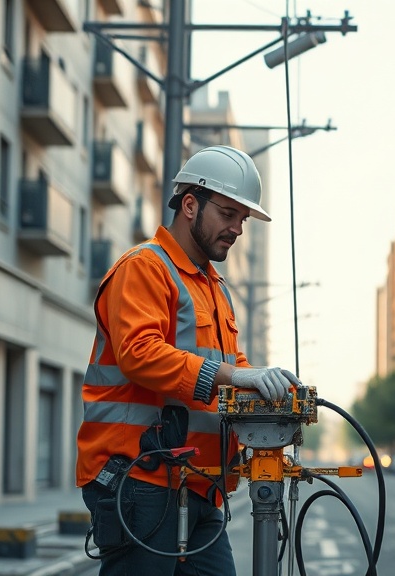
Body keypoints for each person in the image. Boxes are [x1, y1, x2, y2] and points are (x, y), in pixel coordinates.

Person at [77, 145, 301, 576]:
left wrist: (263, 386)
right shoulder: (144, 268)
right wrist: (237, 374)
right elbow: (140, 354)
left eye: (243, 219)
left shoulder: (213, 288)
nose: (237, 228)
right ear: (191, 204)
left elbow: (227, 363)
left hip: (199, 481)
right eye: (229, 213)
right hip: (139, 478)